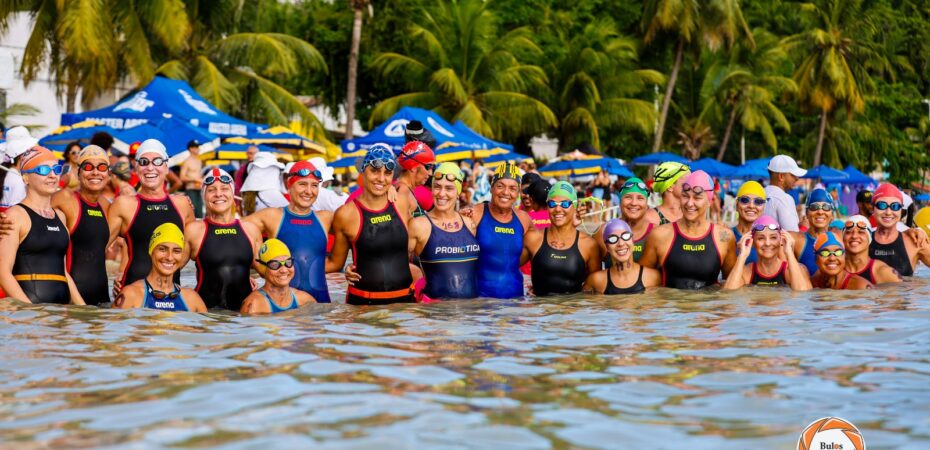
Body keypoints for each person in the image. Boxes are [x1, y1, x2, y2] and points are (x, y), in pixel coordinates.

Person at [326, 144, 415, 304]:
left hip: (404, 306)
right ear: (363, 171)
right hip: (363, 307)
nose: (381, 178)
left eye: (387, 173)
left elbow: (426, 236)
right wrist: (291, 266)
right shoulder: (346, 214)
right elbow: (335, 263)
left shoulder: (402, 203)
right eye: (374, 171)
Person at [107, 139, 196, 293]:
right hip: (134, 297)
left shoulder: (182, 205)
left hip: (171, 296)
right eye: (143, 162)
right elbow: (96, 248)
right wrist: (120, 273)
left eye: (157, 161)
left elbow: (196, 249)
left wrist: (168, 268)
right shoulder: (123, 204)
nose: (150, 167)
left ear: (166, 168)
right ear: (136, 168)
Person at [0, 147, 85, 304]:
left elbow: (63, 272)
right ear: (25, 178)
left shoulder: (60, 217)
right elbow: (3, 273)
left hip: (59, 312)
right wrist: (29, 310)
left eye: (56, 169)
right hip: (30, 312)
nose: (52, 175)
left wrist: (83, 308)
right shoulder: (15, 216)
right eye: (43, 170)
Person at [245, 161, 334, 303]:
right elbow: (234, 229)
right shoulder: (272, 216)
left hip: (321, 306)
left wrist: (352, 268)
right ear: (289, 185)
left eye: (314, 185)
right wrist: (250, 267)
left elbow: (358, 235)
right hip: (284, 307)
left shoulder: (326, 218)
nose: (309, 191)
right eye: (302, 184)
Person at [640, 170, 737, 289]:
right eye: (685, 196)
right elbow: (640, 281)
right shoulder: (659, 235)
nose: (689, 203)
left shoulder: (724, 237)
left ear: (709, 201)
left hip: (710, 301)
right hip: (669, 301)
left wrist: (743, 255)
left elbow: (732, 286)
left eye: (697, 198)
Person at [186, 168, 262, 310]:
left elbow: (267, 272)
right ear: (204, 196)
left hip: (243, 318)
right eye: (211, 190)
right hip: (206, 316)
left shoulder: (250, 230)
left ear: (233, 194)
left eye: (224, 189)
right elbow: (170, 266)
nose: (218, 194)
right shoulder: (194, 230)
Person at [406, 163, 480, 299]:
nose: (441, 193)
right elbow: (396, 263)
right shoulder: (419, 225)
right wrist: (417, 282)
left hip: (471, 309)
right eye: (437, 187)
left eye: (449, 188)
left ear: (458, 192)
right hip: (435, 310)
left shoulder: (469, 223)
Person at [52, 145, 112, 304]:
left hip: (102, 300)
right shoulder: (65, 198)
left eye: (102, 167)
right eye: (88, 167)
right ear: (78, 173)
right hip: (72, 302)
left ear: (108, 173)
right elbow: (31, 211)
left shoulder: (106, 205)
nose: (95, 172)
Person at [524, 181, 601, 296]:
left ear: (575, 206)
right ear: (547, 206)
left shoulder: (589, 245)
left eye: (565, 204)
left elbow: (596, 287)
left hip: (573, 306)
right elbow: (506, 265)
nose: (558, 209)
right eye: (552, 204)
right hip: (540, 306)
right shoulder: (533, 238)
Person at [468, 162, 533, 298]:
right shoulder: (475, 214)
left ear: (518, 193)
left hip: (516, 301)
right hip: (481, 303)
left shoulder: (524, 219)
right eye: (500, 186)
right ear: (491, 188)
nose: (506, 192)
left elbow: (542, 249)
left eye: (512, 188)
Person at [115, 223, 207, 312]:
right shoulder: (131, 295)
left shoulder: (192, 299)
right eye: (162, 249)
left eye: (176, 251)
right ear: (151, 251)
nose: (169, 257)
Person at [723, 216, 811, 290]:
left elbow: (801, 294)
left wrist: (789, 253)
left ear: (781, 240)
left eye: (773, 238)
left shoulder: (796, 270)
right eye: (761, 238)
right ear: (752, 242)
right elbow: (730, 294)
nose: (767, 243)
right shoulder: (746, 272)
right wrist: (742, 256)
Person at [583, 219, 661, 294]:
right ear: (607, 247)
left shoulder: (652, 277)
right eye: (613, 239)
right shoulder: (596, 281)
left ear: (632, 241)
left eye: (625, 236)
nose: (621, 243)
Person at [869, 183, 930, 276]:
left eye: (895, 206)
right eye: (881, 205)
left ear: (901, 211)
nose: (888, 212)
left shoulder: (916, 242)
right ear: (873, 209)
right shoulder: (862, 240)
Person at [241, 239, 316, 314]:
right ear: (263, 268)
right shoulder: (254, 306)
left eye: (288, 262)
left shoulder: (305, 300)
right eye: (275, 265)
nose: (284, 270)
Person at [843, 214, 902, 284]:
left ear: (869, 238)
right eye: (848, 232)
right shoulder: (835, 270)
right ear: (842, 238)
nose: (854, 236)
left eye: (861, 232)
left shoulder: (884, 273)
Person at [792, 188, 838, 276]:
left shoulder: (840, 240)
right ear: (806, 213)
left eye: (826, 207)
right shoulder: (796, 240)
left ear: (832, 215)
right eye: (814, 207)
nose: (820, 212)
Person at [764, 154, 806, 232]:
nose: (797, 178)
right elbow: (792, 235)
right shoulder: (784, 199)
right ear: (781, 177)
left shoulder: (760, 194)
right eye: (792, 175)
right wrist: (804, 227)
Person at [396, 141, 436, 217]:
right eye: (428, 167)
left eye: (433, 168)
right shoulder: (403, 193)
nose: (431, 173)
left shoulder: (405, 190)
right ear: (413, 166)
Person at [731, 181, 766, 265]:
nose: (751, 206)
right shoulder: (727, 236)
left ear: (764, 207)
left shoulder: (769, 239)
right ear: (736, 205)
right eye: (745, 200)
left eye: (758, 201)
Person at [1, 126, 36, 211]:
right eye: (30, 151)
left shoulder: (6, 173)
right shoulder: (18, 179)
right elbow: (16, 212)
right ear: (23, 154)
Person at [179, 140, 204, 218]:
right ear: (191, 149)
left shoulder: (199, 161)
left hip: (198, 189)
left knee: (200, 213)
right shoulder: (187, 162)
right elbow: (182, 177)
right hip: (190, 190)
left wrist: (202, 178)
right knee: (192, 213)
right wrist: (195, 179)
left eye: (198, 147)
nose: (198, 149)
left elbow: (198, 175)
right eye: (196, 147)